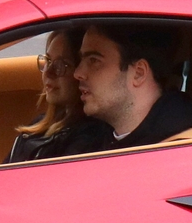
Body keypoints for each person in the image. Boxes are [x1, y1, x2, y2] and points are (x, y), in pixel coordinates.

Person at [73, 20, 192, 148]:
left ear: (139, 73)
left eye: (94, 60)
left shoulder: (183, 150)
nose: (77, 73)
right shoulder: (95, 140)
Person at [7, 26, 114, 162]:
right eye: (48, 61)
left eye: (63, 65)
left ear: (81, 73)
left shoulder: (88, 138)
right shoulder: (42, 123)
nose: (49, 72)